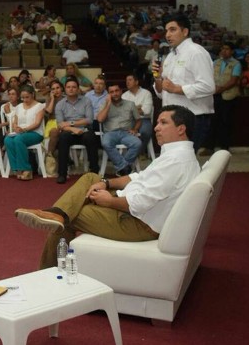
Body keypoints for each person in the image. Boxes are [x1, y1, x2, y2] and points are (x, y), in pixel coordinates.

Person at [14, 105, 200, 270]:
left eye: (163, 123)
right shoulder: (176, 155)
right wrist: (106, 182)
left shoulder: (176, 162)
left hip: (138, 223)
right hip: (134, 209)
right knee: (91, 178)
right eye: (158, 122)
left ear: (181, 129)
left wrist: (109, 201)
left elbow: (139, 204)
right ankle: (57, 213)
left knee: (73, 215)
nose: (156, 127)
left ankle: (48, 271)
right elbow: (138, 177)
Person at [153, 14, 215, 151]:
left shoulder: (196, 52)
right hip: (171, 118)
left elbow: (208, 86)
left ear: (185, 31)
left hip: (192, 117)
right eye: (166, 31)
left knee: (184, 160)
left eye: (173, 30)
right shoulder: (170, 56)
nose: (168, 35)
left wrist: (177, 89)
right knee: (172, 161)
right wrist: (157, 78)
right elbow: (162, 93)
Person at [200, 42, 241, 155]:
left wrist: (220, 89)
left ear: (232, 51)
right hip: (215, 95)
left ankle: (224, 148)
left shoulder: (236, 64)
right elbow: (209, 76)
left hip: (228, 96)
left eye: (227, 49)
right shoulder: (216, 62)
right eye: (223, 49)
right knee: (212, 122)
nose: (224, 51)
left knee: (226, 122)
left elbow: (233, 81)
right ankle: (209, 147)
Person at [55, 79, 99, 183]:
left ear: (78, 89)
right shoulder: (60, 104)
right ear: (65, 89)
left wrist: (70, 123)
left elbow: (89, 120)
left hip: (84, 130)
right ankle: (62, 174)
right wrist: (72, 128)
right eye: (68, 87)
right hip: (68, 132)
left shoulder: (86, 101)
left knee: (91, 137)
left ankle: (94, 172)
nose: (71, 89)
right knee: (63, 138)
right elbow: (61, 124)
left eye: (74, 87)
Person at [97, 82, 142, 176]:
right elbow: (100, 119)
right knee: (106, 143)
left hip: (126, 132)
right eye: (111, 92)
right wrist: (108, 104)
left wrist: (135, 129)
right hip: (110, 133)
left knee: (137, 143)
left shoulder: (130, 104)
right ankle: (125, 168)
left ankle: (122, 168)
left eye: (117, 91)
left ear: (121, 91)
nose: (115, 94)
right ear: (109, 94)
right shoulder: (104, 105)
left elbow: (138, 120)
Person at [4, 85, 45, 181]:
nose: (25, 100)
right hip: (20, 132)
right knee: (8, 140)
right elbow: (15, 122)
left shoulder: (40, 106)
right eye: (23, 98)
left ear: (33, 94)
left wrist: (24, 129)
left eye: (27, 97)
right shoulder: (19, 107)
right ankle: (17, 168)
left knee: (19, 139)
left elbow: (37, 123)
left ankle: (26, 169)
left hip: (35, 133)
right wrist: (15, 127)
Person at [121, 74, 154, 151]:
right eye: (126, 80)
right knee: (123, 131)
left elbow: (147, 111)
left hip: (144, 119)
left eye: (130, 80)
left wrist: (131, 109)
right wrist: (138, 108)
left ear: (136, 82)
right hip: (129, 120)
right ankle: (132, 152)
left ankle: (140, 152)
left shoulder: (146, 93)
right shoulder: (124, 96)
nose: (127, 82)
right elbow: (123, 112)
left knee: (146, 132)